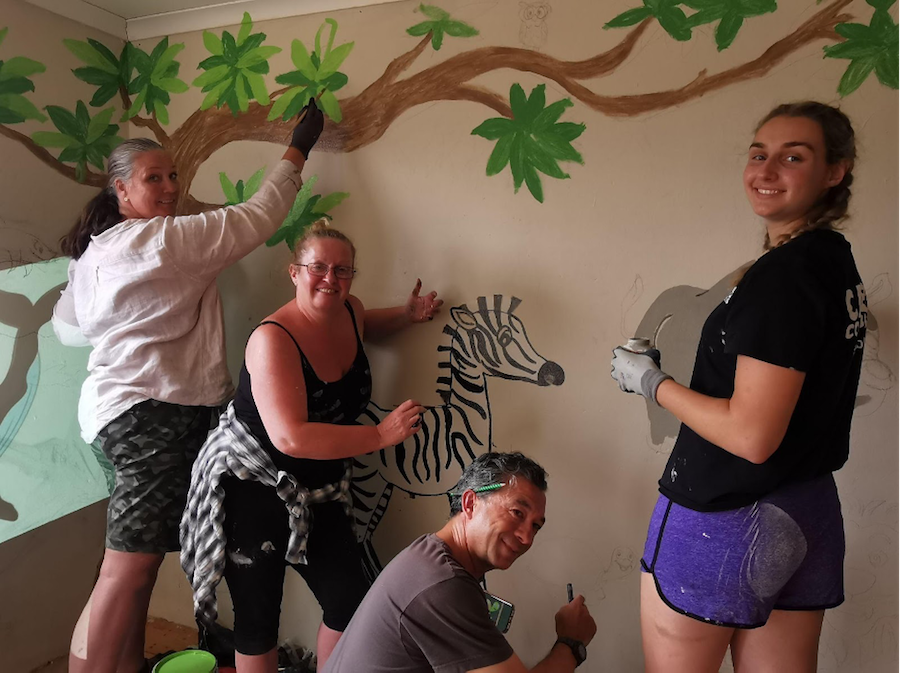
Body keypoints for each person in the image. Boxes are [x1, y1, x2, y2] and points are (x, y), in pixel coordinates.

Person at [52, 101, 325, 673]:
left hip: (114, 415)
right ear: (122, 191)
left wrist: (131, 318)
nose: (172, 187)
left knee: (136, 562)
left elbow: (68, 329)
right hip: (152, 414)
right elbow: (260, 214)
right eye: (156, 178)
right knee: (126, 567)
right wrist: (299, 146)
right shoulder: (169, 241)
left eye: (174, 175)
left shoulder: (95, 252)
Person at [609, 101, 865, 672]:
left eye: (793, 156)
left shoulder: (784, 277)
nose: (766, 171)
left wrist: (649, 382)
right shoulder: (832, 260)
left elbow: (752, 435)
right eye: (759, 154)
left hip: (723, 518)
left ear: (835, 171)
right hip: (807, 510)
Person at [180, 219, 444, 672]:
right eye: (318, 267)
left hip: (320, 489)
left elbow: (366, 324)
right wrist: (380, 436)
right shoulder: (271, 339)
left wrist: (406, 315)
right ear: (295, 272)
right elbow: (291, 436)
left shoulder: (350, 310)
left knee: (350, 602)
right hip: (255, 486)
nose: (331, 279)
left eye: (343, 271)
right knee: (258, 620)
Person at [323, 451, 597, 673]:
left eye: (536, 526)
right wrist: (571, 643)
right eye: (516, 512)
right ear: (470, 503)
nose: (527, 537)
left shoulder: (428, 554)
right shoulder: (442, 584)